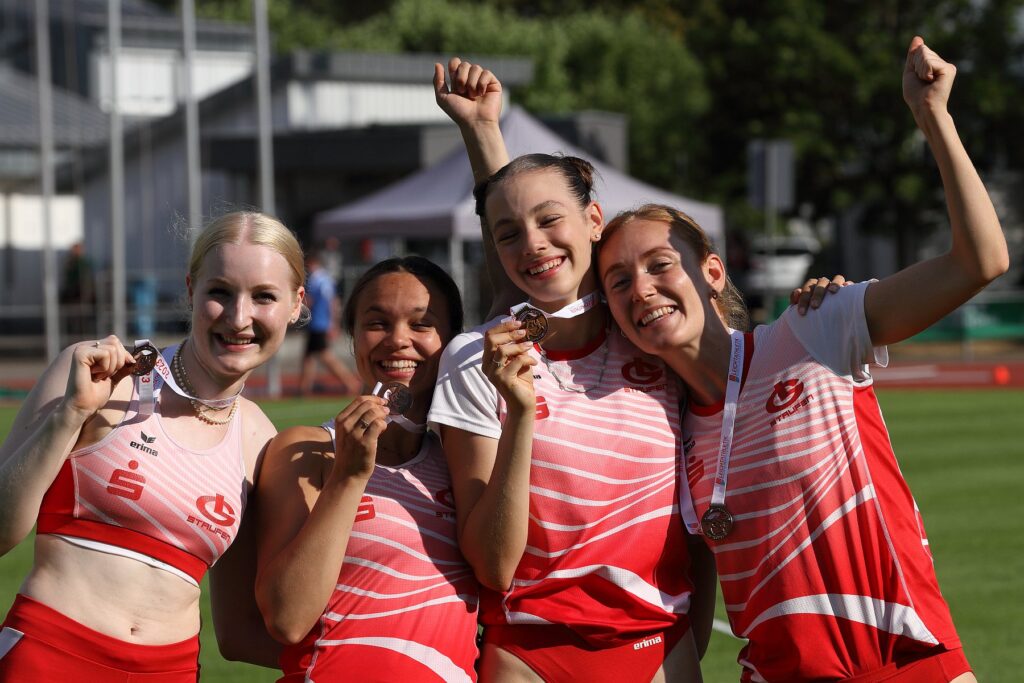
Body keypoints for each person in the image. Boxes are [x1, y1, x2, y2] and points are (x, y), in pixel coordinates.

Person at [594, 38, 1003, 683]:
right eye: (617, 281)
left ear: (711, 271)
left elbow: (980, 262)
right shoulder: (666, 430)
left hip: (905, 663)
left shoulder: (815, 328)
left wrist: (933, 118)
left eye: (659, 264)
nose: (639, 288)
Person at [430, 56, 842, 683]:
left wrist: (822, 308)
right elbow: (492, 565)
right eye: (507, 235)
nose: (532, 244)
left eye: (551, 221)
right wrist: (482, 135)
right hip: (529, 655)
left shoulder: (645, 335)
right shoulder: (479, 358)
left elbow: (702, 512)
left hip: (661, 651)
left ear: (594, 221)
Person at [0, 211, 305, 680]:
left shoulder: (263, 444)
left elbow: (239, 629)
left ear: (294, 304)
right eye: (219, 292)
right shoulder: (101, 377)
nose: (239, 317)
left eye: (264, 296)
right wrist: (71, 415)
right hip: (49, 656)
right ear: (190, 290)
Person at [255, 257, 479, 682]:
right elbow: (286, 619)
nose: (398, 340)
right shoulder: (306, 450)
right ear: (352, 336)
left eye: (421, 324)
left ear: (450, 341)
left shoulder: (460, 460)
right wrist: (349, 476)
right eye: (377, 323)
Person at [299, 250, 361, 396]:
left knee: (325, 356)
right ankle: (304, 388)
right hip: (317, 322)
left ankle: (350, 382)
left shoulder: (319, 280)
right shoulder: (322, 279)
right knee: (308, 356)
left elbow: (329, 302)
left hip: (319, 323)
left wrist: (333, 324)